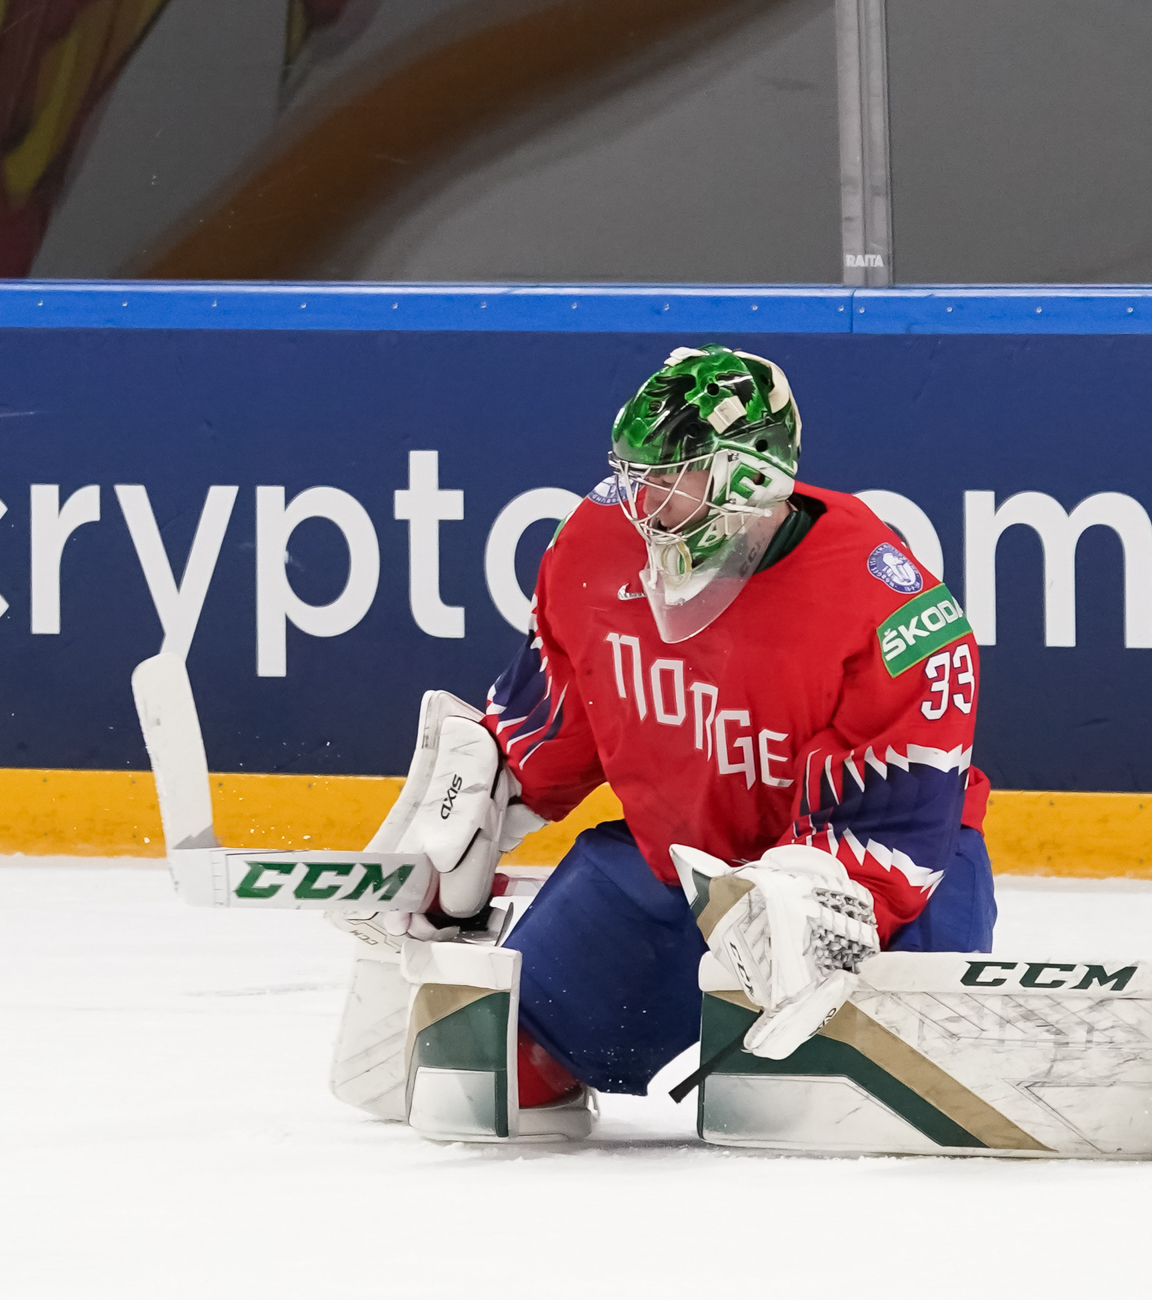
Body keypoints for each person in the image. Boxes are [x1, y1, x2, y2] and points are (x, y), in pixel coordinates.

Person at [332, 345, 993, 1137]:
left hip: (877, 887)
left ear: (748, 478)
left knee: (848, 1115)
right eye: (636, 475)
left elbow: (901, 820)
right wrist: (473, 812)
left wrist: (812, 902)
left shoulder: (891, 608)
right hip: (673, 870)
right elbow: (558, 717)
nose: (641, 502)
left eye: (673, 477)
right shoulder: (594, 542)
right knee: (494, 1071)